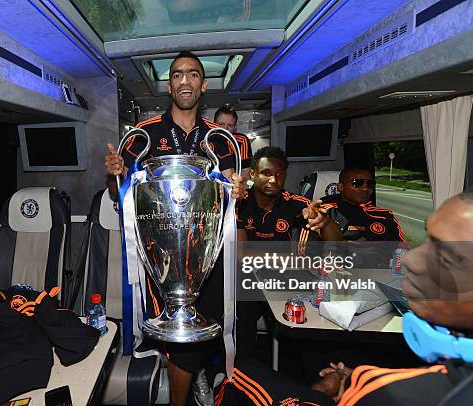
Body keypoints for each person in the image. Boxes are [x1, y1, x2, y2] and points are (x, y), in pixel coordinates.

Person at [216, 184, 473, 405]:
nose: (412, 260)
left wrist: (320, 392)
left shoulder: (387, 394)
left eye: (447, 256)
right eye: (428, 239)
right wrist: (355, 376)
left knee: (238, 374)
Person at [104, 51, 246, 406]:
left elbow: (230, 189)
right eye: (178, 74)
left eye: (193, 75)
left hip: (207, 254)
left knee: (202, 323)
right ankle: (185, 390)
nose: (186, 81)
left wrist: (239, 190)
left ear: (203, 84)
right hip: (162, 251)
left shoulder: (220, 139)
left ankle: (193, 375)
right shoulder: (144, 134)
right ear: (169, 85)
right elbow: (122, 196)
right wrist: (116, 174)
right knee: (173, 327)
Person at [235, 146, 343, 358]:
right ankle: (243, 371)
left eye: (279, 174)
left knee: (316, 306)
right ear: (253, 174)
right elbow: (242, 254)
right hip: (247, 276)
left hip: (283, 276)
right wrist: (291, 259)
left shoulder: (295, 204)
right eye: (266, 173)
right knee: (242, 314)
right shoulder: (239, 204)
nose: (274, 180)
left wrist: (324, 221)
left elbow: (335, 241)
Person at [319, 168, 407, 243]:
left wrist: (397, 262)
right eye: (357, 183)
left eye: (370, 184)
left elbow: (400, 249)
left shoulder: (385, 215)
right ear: (341, 187)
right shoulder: (325, 211)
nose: (365, 189)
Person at [214, 104, 253, 182]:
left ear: (235, 127)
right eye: (221, 124)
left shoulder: (241, 140)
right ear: (213, 123)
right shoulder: (206, 139)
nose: (225, 128)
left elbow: (245, 171)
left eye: (230, 125)